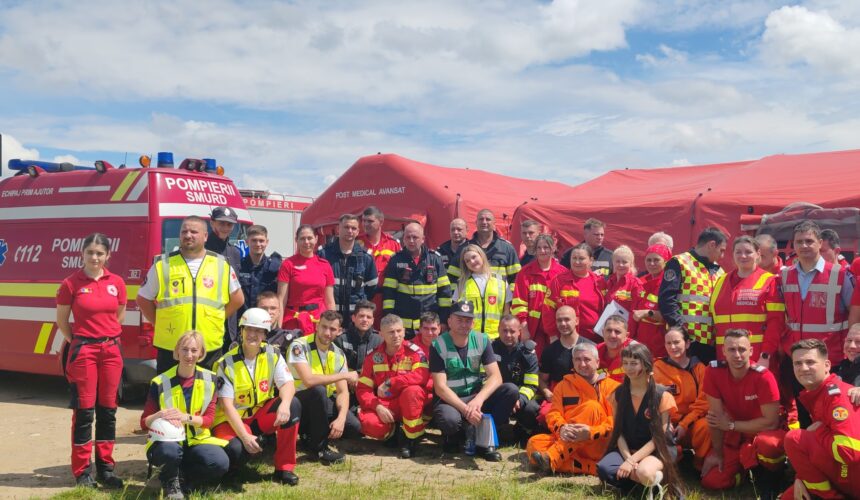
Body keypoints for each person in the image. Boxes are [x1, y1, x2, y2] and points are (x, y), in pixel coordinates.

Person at [56, 233, 127, 488]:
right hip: (84, 351)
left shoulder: (117, 282)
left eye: (99, 253)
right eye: (90, 252)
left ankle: (106, 470)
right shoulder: (70, 283)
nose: (94, 257)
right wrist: (82, 340)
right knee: (84, 412)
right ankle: (82, 471)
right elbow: (62, 321)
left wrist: (105, 336)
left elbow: (119, 315)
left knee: (108, 410)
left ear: (108, 255)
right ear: (82, 254)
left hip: (111, 351)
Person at [137, 216, 244, 372]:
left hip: (208, 346)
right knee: (168, 387)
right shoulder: (163, 264)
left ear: (205, 236)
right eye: (184, 231)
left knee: (207, 387)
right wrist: (159, 323)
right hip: (171, 347)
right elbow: (143, 299)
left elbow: (238, 299)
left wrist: (217, 318)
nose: (188, 235)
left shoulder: (221, 264)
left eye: (194, 232)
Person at [212, 308, 301, 486]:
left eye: (259, 330)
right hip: (230, 421)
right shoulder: (226, 363)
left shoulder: (273, 354)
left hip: (258, 417)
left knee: (293, 405)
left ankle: (284, 468)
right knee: (237, 450)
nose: (253, 334)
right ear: (241, 331)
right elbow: (227, 407)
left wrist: (284, 404)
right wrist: (245, 436)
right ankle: (232, 471)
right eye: (249, 329)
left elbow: (287, 384)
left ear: (265, 334)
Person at [141, 331, 229, 498]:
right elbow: (143, 422)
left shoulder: (211, 380)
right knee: (170, 452)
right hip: (168, 444)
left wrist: (185, 418)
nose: (189, 355)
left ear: (201, 353)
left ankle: (185, 480)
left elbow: (209, 420)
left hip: (196, 440)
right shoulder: (160, 382)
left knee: (220, 463)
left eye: (194, 350)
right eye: (185, 349)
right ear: (177, 352)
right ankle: (170, 483)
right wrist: (160, 414)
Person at [430, 300, 519, 461]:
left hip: (475, 397)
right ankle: (456, 435)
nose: (464, 324)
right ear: (449, 321)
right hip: (451, 401)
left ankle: (484, 437)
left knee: (511, 390)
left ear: (473, 323)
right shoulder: (438, 344)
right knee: (449, 420)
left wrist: (478, 400)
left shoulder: (482, 340)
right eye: (459, 320)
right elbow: (440, 388)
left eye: (468, 320)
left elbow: (496, 377)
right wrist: (466, 410)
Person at [700, 330, 786, 498]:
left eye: (742, 349)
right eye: (731, 349)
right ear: (723, 351)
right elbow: (716, 418)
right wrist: (717, 454)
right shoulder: (713, 371)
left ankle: (772, 477)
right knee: (712, 481)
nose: (737, 355)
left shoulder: (764, 376)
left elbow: (771, 423)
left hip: (761, 433)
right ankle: (744, 473)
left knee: (769, 445)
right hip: (734, 437)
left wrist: (732, 425)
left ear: (751, 351)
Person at [597, 343, 682, 498]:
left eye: (634, 363)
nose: (628, 368)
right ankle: (642, 482)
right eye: (625, 363)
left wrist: (631, 462)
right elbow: (618, 432)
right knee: (604, 468)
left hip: (657, 450)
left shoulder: (662, 395)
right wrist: (628, 459)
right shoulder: (617, 394)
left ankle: (656, 480)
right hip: (628, 448)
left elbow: (659, 438)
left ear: (645, 364)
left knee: (644, 472)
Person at [781, 339, 860, 500]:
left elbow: (850, 453)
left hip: (852, 475)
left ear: (827, 365)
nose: (803, 368)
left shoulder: (837, 396)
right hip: (843, 472)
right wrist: (801, 477)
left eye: (810, 362)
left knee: (794, 438)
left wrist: (818, 430)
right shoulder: (819, 393)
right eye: (798, 363)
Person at [528, 342, 619, 475]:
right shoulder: (563, 386)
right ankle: (592, 467)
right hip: (567, 440)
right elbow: (554, 414)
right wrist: (562, 428)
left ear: (597, 362)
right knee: (534, 443)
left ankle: (552, 457)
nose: (582, 364)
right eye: (577, 359)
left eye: (587, 359)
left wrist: (590, 432)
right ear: (573, 362)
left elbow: (615, 423)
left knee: (592, 406)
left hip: (596, 441)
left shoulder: (613, 387)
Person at [287, 310, 361, 465]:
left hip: (321, 402)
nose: (327, 333)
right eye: (324, 327)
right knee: (318, 390)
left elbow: (343, 392)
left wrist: (341, 419)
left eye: (333, 329)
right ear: (317, 326)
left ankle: (309, 435)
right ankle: (319, 448)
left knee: (353, 427)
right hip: (296, 403)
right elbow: (309, 381)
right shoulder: (299, 345)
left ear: (339, 331)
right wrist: (344, 375)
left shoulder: (338, 354)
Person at [356, 314, 430, 458]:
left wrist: (391, 382)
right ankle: (394, 433)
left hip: (410, 403)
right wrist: (377, 406)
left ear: (404, 331)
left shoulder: (414, 352)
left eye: (399, 331)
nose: (396, 335)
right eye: (391, 332)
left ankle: (411, 439)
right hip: (386, 405)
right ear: (381, 334)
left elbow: (421, 376)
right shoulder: (373, 357)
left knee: (412, 391)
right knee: (369, 423)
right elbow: (363, 389)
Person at [709, 236, 785, 372]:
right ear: (733, 254)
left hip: (757, 358)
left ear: (758, 254)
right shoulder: (720, 281)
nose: (743, 256)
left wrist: (766, 355)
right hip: (725, 358)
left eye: (748, 252)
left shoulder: (770, 281)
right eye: (738, 252)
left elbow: (776, 323)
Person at [658, 226, 727, 363]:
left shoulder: (719, 271)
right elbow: (667, 299)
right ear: (712, 245)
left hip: (711, 342)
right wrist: (682, 331)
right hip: (687, 341)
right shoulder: (680, 262)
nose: (722, 256)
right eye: (722, 250)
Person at [652, 326, 710, 470]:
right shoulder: (657, 367)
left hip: (691, 425)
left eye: (677, 342)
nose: (673, 347)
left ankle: (699, 463)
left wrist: (684, 424)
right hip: (667, 423)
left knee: (707, 425)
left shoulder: (699, 368)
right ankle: (674, 458)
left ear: (687, 343)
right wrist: (664, 421)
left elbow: (703, 403)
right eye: (668, 343)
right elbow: (652, 400)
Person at [382, 222, 452, 337]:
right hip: (404, 327)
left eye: (415, 237)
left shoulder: (435, 259)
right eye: (408, 237)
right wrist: (390, 319)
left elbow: (445, 293)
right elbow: (388, 294)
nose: (411, 241)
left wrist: (443, 320)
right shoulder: (395, 260)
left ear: (423, 239)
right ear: (403, 239)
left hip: (429, 326)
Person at [537, 306, 595, 426]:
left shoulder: (591, 347)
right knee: (544, 415)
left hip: (585, 396)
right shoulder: (549, 351)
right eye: (559, 320)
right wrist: (547, 392)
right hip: (559, 396)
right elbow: (542, 379)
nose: (563, 324)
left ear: (576, 321)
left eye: (567, 319)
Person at [512, 234, 567, 359]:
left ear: (553, 249)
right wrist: (524, 328)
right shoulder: (525, 273)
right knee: (533, 361)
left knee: (555, 361)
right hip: (533, 329)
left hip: (556, 328)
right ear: (535, 250)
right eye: (539, 248)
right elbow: (519, 303)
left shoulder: (563, 273)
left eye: (546, 247)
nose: (542, 251)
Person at [319, 214, 378, 328]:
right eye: (346, 227)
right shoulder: (324, 254)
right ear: (338, 229)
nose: (350, 231)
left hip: (355, 320)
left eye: (353, 228)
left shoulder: (366, 258)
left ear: (358, 231)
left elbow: (372, 288)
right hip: (330, 318)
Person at [543, 243, 607, 343]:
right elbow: (548, 309)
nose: (577, 262)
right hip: (567, 339)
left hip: (595, 340)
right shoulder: (559, 281)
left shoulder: (599, 282)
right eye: (574, 258)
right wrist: (552, 334)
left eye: (581, 258)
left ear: (591, 261)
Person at [277, 224, 335, 334]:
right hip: (294, 321)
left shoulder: (325, 265)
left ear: (316, 239)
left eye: (309, 238)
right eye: (302, 239)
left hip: (318, 321)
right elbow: (281, 299)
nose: (306, 242)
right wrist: (278, 328)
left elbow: (330, 301)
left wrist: (332, 326)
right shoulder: (288, 264)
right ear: (296, 240)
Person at [492, 315, 540, 440]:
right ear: (498, 330)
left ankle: (522, 429)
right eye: (504, 331)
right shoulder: (490, 349)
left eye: (512, 331)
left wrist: (520, 400)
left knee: (532, 409)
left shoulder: (527, 353)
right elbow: (483, 378)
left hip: (518, 398)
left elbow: (531, 384)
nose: (508, 335)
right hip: (496, 396)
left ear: (519, 331)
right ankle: (494, 428)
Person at [447, 209, 521, 288]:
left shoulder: (507, 248)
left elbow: (516, 278)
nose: (484, 222)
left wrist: (511, 295)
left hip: (499, 296)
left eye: (488, 219)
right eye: (481, 219)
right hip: (472, 295)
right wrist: (457, 294)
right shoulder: (464, 248)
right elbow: (452, 278)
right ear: (476, 223)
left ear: (494, 223)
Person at [452, 244, 510, 340]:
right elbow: (456, 312)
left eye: (474, 257)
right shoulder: (462, 283)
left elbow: (506, 311)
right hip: (470, 338)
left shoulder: (501, 280)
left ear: (481, 255)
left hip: (496, 337)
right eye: (467, 261)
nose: (472, 261)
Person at [205, 206, 243, 345]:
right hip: (207, 319)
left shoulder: (235, 253)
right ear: (212, 223)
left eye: (229, 224)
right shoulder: (202, 250)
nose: (225, 228)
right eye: (221, 223)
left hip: (229, 325)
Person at [358, 206, 401, 326]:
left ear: (381, 222)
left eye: (370, 221)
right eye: (364, 220)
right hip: (364, 297)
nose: (365, 224)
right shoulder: (357, 243)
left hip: (385, 299)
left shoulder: (393, 244)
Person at [631, 244, 671, 358]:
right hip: (641, 342)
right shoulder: (641, 281)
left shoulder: (668, 285)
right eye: (648, 260)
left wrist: (646, 313)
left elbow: (669, 316)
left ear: (666, 261)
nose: (652, 263)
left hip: (660, 344)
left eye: (656, 260)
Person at [238, 225, 282, 316]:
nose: (258, 244)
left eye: (261, 241)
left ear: (267, 242)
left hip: (266, 318)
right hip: (243, 319)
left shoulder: (275, 268)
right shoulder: (239, 267)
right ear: (247, 242)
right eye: (254, 240)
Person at [333, 300, 383, 373]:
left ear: (372, 321)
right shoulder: (341, 339)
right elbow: (335, 367)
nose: (365, 320)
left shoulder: (379, 341)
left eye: (368, 317)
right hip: (346, 378)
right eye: (361, 316)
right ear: (353, 318)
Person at [605, 245, 643, 335]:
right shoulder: (609, 281)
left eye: (624, 262)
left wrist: (628, 334)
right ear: (613, 263)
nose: (620, 265)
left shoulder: (636, 284)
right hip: (610, 331)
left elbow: (635, 314)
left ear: (631, 264)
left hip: (625, 332)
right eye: (617, 261)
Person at [255, 291, 300, 356]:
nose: (268, 312)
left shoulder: (288, 338)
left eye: (273, 308)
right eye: (264, 308)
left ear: (279, 312)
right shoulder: (248, 336)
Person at [597, 315, 636, 383]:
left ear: (626, 336)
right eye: (609, 330)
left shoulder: (636, 353)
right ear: (603, 333)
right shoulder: (596, 351)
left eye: (617, 331)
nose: (612, 335)